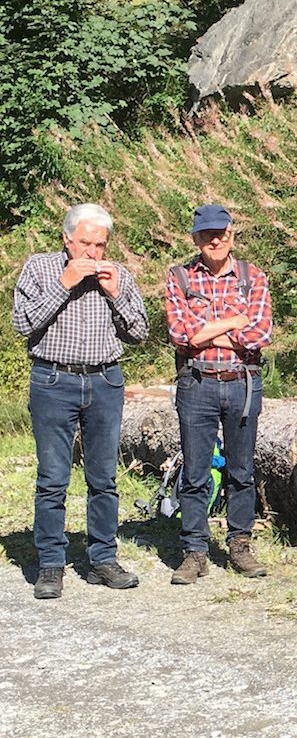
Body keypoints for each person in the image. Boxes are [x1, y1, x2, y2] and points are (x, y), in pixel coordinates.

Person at [12, 203, 150, 599]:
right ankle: (51, 564)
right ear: (67, 239)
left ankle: (103, 558)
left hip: (105, 380)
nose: (92, 253)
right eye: (85, 243)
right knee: (53, 477)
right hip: (53, 379)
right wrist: (64, 282)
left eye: (100, 245)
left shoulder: (118, 274)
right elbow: (22, 324)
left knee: (103, 478)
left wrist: (115, 293)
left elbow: (139, 331)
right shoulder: (40, 268)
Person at [164, 204, 274, 585]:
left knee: (242, 471)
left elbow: (259, 335)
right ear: (195, 238)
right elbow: (182, 334)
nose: (215, 240)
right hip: (197, 383)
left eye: (222, 233)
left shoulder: (253, 277)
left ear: (231, 234)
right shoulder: (178, 277)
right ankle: (194, 550)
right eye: (207, 234)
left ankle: (239, 543)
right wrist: (232, 323)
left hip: (243, 382)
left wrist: (208, 329)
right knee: (195, 472)